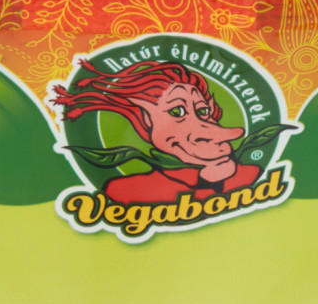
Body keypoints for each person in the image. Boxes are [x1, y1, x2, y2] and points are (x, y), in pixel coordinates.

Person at [51, 59, 260, 204]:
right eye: (177, 111)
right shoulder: (123, 190)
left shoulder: (249, 174)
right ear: (145, 120)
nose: (207, 128)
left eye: (203, 111)